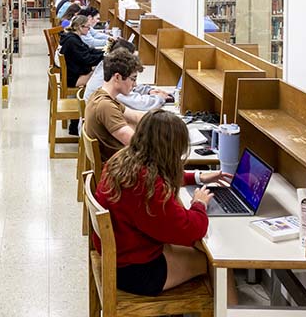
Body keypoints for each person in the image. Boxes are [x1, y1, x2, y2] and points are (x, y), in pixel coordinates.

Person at [93, 109, 238, 302]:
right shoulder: (148, 186)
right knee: (218, 264)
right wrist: (199, 204)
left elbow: (161, 173)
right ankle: (226, 309)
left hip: (122, 256)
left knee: (196, 248)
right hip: (137, 272)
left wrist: (197, 176)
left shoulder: (122, 160)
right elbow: (190, 230)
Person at [84, 48, 146, 161]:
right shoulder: (105, 106)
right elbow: (136, 144)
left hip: (117, 163)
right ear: (117, 77)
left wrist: (161, 123)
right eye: (133, 79)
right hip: (118, 170)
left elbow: (135, 116)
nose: (135, 84)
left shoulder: (101, 95)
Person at [84, 38, 172, 110]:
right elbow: (137, 103)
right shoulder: (109, 83)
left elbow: (128, 84)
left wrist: (148, 91)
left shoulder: (107, 66)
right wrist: (160, 98)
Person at [58, 15, 104, 88]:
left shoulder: (72, 37)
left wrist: (103, 52)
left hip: (72, 73)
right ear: (79, 27)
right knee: (102, 75)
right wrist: (104, 56)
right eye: (87, 27)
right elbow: (88, 59)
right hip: (73, 79)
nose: (89, 29)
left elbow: (88, 50)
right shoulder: (73, 41)